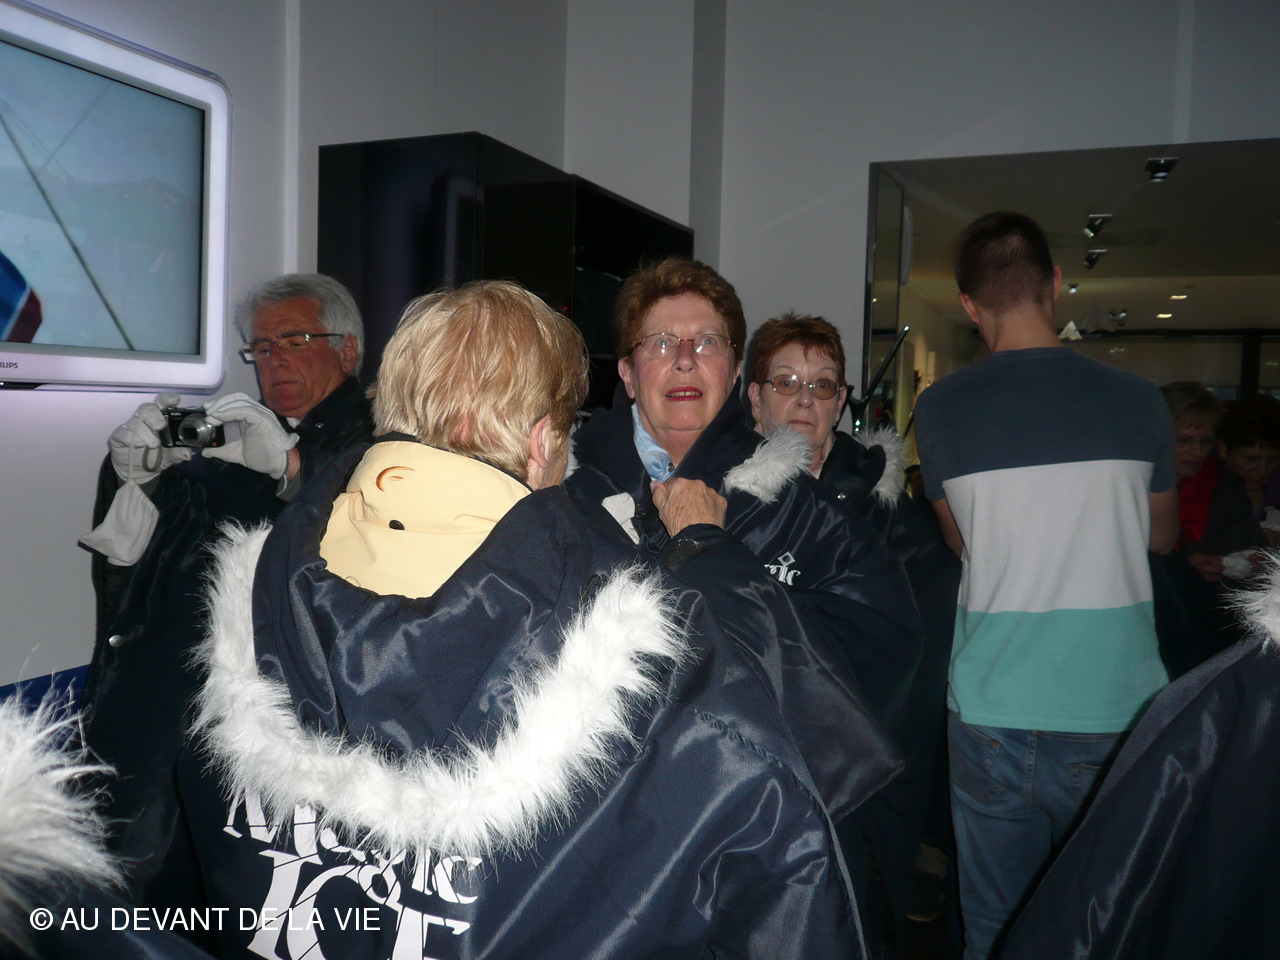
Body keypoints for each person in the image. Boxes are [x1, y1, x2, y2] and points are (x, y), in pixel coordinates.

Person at [172, 280, 865, 959]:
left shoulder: (246, 602)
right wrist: (707, 554)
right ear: (542, 443)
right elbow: (789, 871)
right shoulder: (649, 660)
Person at [566, 258, 921, 827]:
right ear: (628, 374)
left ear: (733, 371)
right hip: (588, 811)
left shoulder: (800, 510)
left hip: (744, 813)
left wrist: (709, 551)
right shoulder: (566, 493)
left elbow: (867, 668)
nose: (685, 359)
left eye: (707, 342)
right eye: (661, 343)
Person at [912, 211, 1178, 960]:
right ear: (1054, 284)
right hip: (1115, 712)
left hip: (991, 709)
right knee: (1109, 929)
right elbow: (1162, 537)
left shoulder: (939, 409)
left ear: (969, 305)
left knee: (995, 932)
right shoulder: (1141, 400)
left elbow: (962, 541)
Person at [77, 273, 374, 912]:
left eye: (293, 340)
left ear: (347, 349)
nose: (274, 360)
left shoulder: (379, 444)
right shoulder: (230, 433)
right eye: (262, 347)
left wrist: (294, 470)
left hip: (246, 747)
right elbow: (136, 563)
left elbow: (360, 544)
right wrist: (132, 475)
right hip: (145, 712)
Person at [746, 312, 960, 951]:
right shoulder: (725, 496)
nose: (803, 399)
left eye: (822, 385)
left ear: (840, 402)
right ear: (754, 397)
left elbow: (922, 631)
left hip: (866, 757)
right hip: (759, 758)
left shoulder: (885, 508)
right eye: (785, 382)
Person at [999, 567, 1280, 960]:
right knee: (1090, 874)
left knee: (1005, 905)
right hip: (1103, 706)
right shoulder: (1253, 681)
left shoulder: (1250, 681)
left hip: (991, 690)